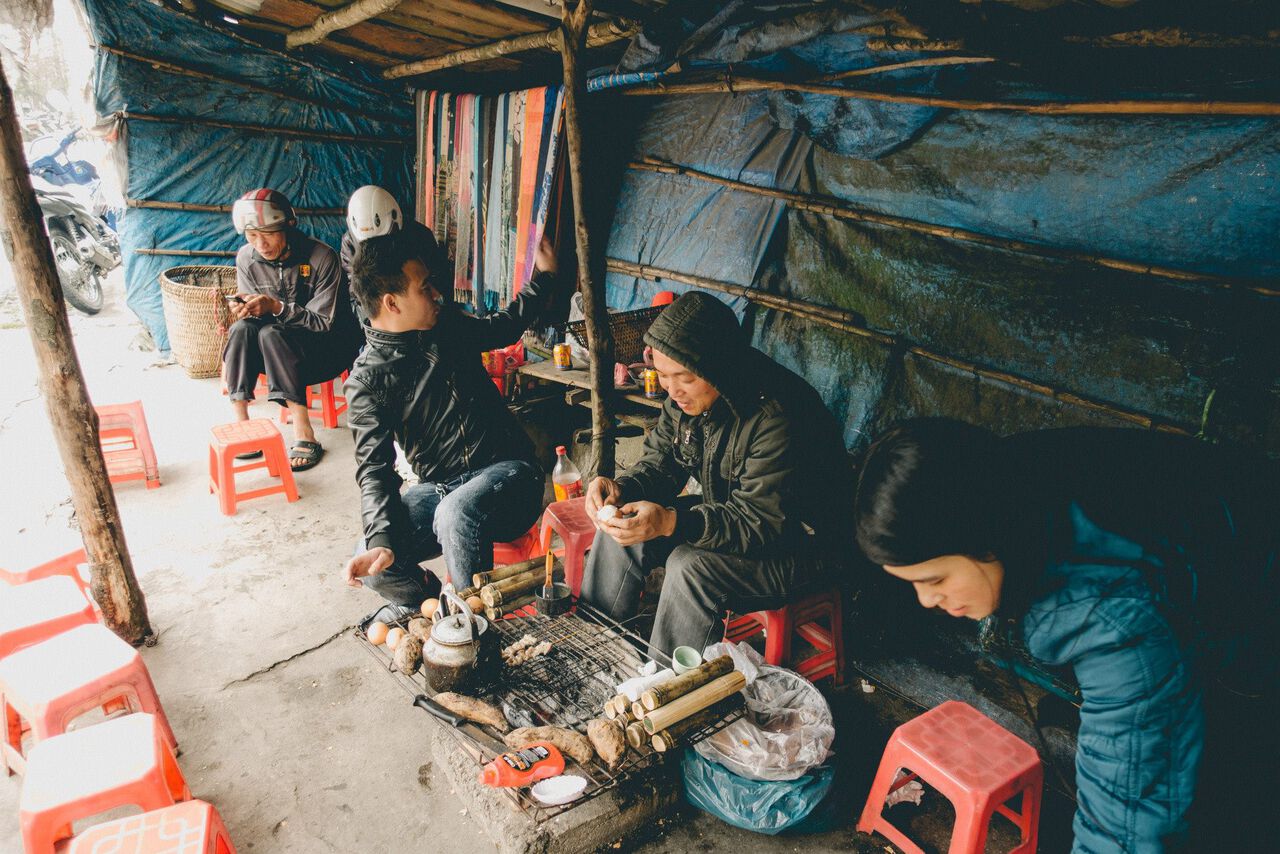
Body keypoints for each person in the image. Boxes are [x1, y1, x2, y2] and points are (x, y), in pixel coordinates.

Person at [852, 418, 1279, 853]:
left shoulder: (1110, 615)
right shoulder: (1001, 474)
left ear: (985, 539)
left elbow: (1126, 820)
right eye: (914, 583)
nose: (927, 600)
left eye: (936, 578)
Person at [579, 291, 852, 657]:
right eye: (662, 375)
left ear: (718, 369)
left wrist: (672, 522)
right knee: (621, 528)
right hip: (733, 515)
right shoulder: (687, 397)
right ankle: (592, 653)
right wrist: (622, 490)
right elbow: (661, 461)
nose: (672, 390)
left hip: (800, 545)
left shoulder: (776, 416)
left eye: (684, 378)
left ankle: (662, 693)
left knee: (689, 567)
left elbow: (758, 522)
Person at [342, 229, 562, 606]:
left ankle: (474, 632)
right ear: (392, 303)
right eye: (424, 288)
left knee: (455, 511)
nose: (436, 295)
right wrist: (382, 539)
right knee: (373, 552)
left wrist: (545, 277)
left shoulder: (447, 328)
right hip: (442, 488)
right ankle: (439, 607)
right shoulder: (367, 381)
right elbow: (373, 470)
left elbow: (505, 324)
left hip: (510, 472)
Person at [224, 188, 360, 471]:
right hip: (275, 358)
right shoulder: (246, 259)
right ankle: (241, 421)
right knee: (243, 329)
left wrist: (276, 308)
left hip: (324, 353)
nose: (260, 244)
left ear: (289, 224)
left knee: (272, 333)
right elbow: (255, 320)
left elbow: (324, 322)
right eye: (252, 236)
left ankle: (304, 431)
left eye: (268, 233)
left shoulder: (322, 257)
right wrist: (246, 308)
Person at [339, 185, 443, 325]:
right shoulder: (350, 244)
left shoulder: (419, 235)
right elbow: (356, 292)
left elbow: (436, 278)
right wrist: (375, 325)